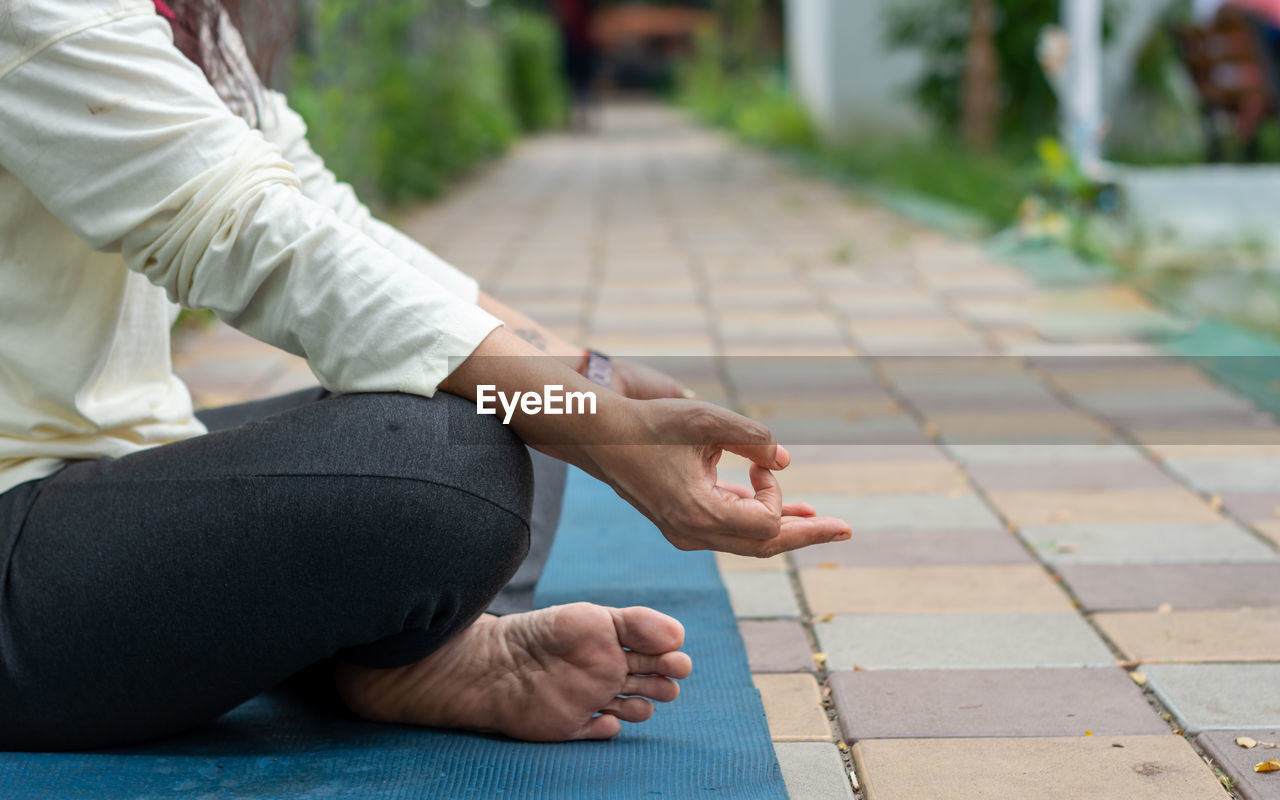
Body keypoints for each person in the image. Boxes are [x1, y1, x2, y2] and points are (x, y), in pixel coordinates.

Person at [0, 0, 851, 751]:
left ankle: (403, 652)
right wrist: (600, 425)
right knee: (449, 453)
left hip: (98, 478)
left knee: (501, 385)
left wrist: (587, 377)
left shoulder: (182, 16)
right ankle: (406, 644)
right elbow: (243, 228)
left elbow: (317, 209)